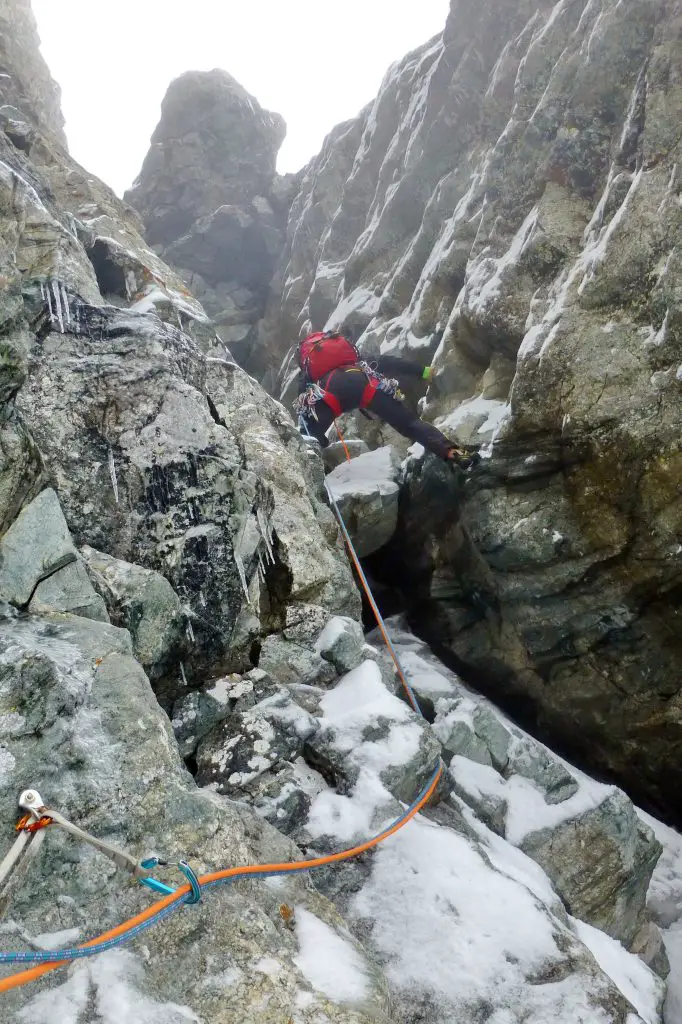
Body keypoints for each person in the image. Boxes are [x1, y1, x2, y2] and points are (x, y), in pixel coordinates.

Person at [294, 330, 478, 467]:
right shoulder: (357, 361)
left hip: (329, 393)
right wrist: (422, 371)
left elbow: (304, 406)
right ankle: (456, 453)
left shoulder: (310, 373)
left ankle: (316, 468)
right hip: (364, 384)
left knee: (310, 437)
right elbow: (389, 362)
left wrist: (320, 438)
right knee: (411, 424)